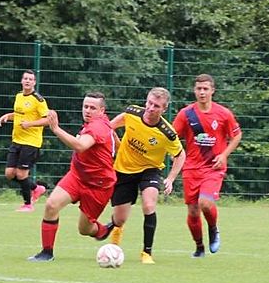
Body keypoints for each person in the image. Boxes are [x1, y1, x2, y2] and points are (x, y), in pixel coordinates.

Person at [28, 92, 117, 262]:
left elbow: (80, 146)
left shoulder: (98, 126)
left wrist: (56, 129)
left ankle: (102, 231)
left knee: (84, 229)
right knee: (51, 205)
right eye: (85, 106)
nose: (88, 110)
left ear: (102, 111)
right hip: (77, 176)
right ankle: (46, 253)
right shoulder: (97, 123)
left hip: (99, 185)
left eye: (92, 108)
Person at [101, 87, 186, 264]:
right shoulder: (132, 113)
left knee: (148, 205)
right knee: (120, 218)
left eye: (156, 106)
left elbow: (180, 155)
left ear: (164, 109)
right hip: (123, 168)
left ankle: (147, 253)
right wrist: (114, 144)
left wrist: (170, 178)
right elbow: (108, 127)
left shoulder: (167, 133)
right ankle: (115, 228)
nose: (151, 108)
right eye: (149, 103)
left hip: (149, 170)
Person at [172, 74, 242, 257]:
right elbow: (172, 137)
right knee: (193, 211)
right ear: (194, 90)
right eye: (199, 89)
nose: (202, 92)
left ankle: (213, 228)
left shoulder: (223, 114)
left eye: (205, 89)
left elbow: (237, 135)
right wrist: (175, 153)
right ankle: (199, 247)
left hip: (213, 167)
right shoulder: (186, 114)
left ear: (212, 91)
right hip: (191, 168)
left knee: (204, 203)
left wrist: (224, 155)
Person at [0, 69, 49, 211]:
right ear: (21, 80)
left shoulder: (39, 100)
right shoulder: (19, 96)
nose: (27, 81)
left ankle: (28, 204)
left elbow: (47, 120)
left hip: (31, 142)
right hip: (17, 140)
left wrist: (30, 124)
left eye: (30, 79)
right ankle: (36, 188)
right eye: (25, 78)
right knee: (9, 174)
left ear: (34, 82)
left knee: (21, 174)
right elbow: (20, 114)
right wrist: (8, 116)